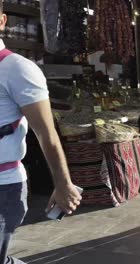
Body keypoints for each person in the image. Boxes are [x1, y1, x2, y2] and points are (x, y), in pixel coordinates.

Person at [0, 6, 82, 264]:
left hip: (4, 185)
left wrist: (63, 184)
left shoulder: (17, 69)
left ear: (2, 21)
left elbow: (47, 134)